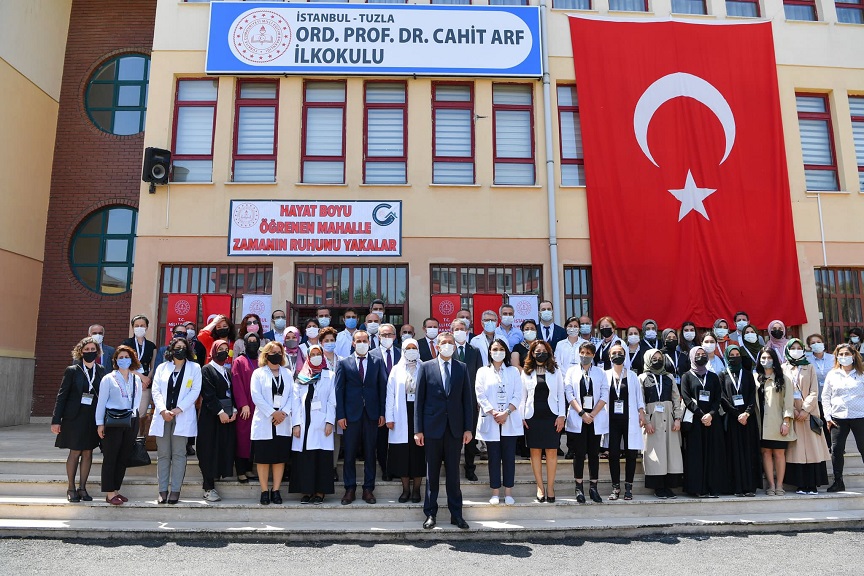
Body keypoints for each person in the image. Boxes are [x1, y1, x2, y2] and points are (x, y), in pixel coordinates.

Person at [414, 331, 474, 530]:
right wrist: (418, 430)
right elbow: (419, 401)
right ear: (437, 346)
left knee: (453, 475)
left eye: (450, 342)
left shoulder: (461, 367)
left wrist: (468, 428)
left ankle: (456, 514)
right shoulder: (426, 367)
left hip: (455, 429)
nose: (447, 345)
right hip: (432, 429)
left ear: (454, 347)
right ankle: (430, 514)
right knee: (432, 474)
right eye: (443, 342)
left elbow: (467, 400)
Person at [335, 330, 387, 505]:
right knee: (349, 452)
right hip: (351, 415)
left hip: (372, 414)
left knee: (370, 452)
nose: (362, 343)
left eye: (365, 340)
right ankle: (349, 489)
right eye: (359, 341)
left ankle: (368, 489)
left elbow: (382, 388)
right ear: (353, 343)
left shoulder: (377, 361)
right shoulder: (344, 363)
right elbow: (339, 390)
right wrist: (340, 415)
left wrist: (382, 412)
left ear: (369, 343)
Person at [51, 337, 105, 502]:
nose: (90, 352)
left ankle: (82, 488)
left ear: (97, 351)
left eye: (93, 349)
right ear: (81, 352)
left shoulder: (101, 370)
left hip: (92, 417)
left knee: (88, 451)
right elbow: (62, 396)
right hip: (74, 417)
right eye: (86, 350)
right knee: (75, 451)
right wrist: (56, 420)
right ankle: (71, 488)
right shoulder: (72, 370)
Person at [149, 336, 202, 504]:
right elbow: (156, 390)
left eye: (183, 347)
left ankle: (175, 490)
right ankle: (162, 490)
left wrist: (179, 409)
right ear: (171, 350)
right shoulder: (162, 368)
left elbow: (195, 391)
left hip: (182, 415)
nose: (180, 350)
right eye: (177, 347)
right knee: (163, 454)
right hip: (163, 416)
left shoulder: (194, 368)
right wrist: (162, 410)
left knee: (179, 453)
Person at [475, 339, 522, 505]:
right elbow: (480, 395)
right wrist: (494, 412)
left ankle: (508, 492)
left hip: (509, 419)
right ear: (490, 352)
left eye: (501, 349)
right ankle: (495, 492)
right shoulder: (482, 371)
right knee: (493, 458)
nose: (498, 352)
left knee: (509, 458)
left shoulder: (513, 371)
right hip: (491, 419)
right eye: (495, 349)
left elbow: (518, 394)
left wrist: (506, 412)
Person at [95, 345, 142, 505]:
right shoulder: (108, 378)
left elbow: (137, 401)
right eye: (120, 357)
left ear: (132, 359)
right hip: (113, 420)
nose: (124, 360)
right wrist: (100, 423)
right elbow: (101, 402)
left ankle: (116, 489)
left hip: (131, 420)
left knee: (123, 456)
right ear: (115, 360)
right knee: (111, 456)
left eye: (126, 357)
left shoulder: (136, 378)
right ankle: (109, 493)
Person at [290, 344, 337, 504]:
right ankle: (306, 491)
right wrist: (296, 424)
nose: (316, 357)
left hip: (322, 423)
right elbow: (295, 402)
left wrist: (330, 421)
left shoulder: (329, 375)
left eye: (318, 354)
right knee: (306, 459)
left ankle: (320, 492)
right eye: (313, 354)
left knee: (321, 458)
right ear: (308, 357)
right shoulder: (301, 377)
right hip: (304, 423)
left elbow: (332, 401)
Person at [783, 339, 830, 495]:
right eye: (793, 348)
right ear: (787, 350)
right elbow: (782, 392)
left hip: (809, 414)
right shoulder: (783, 368)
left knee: (813, 450)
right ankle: (801, 484)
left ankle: (813, 484)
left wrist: (805, 409)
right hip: (792, 414)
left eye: (799, 348)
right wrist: (792, 410)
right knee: (796, 451)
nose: (796, 350)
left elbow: (814, 391)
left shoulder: (809, 367)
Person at [521, 340, 566, 503]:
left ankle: (551, 487)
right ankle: (540, 487)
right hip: (532, 417)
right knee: (535, 452)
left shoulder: (556, 370)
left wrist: (562, 416)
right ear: (532, 354)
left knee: (552, 451)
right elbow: (522, 396)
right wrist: (522, 417)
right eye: (537, 351)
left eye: (544, 351)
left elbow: (561, 394)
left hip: (552, 416)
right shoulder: (526, 372)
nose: (541, 353)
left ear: (549, 352)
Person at [564, 342, 608, 504]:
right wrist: (582, 413)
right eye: (582, 352)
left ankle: (593, 488)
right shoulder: (571, 371)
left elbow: (604, 394)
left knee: (594, 454)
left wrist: (593, 414)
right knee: (579, 454)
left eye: (588, 353)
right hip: (578, 417)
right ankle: (579, 487)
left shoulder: (600, 373)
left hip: (595, 418)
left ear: (593, 355)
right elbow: (569, 393)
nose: (585, 356)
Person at [250, 341, 293, 505]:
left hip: (282, 420)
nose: (277, 355)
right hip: (265, 419)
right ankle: (264, 491)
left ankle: (276, 490)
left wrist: (283, 413)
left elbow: (292, 395)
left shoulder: (287, 373)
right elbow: (256, 396)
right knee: (263, 458)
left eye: (279, 352)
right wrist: (272, 413)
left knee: (279, 458)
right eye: (273, 352)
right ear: (266, 355)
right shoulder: (258, 373)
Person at [680, 345, 726, 498]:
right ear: (692, 357)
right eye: (698, 354)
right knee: (696, 456)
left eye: (703, 354)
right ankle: (697, 488)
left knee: (712, 455)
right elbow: (687, 399)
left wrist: (710, 414)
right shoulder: (686, 376)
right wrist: (701, 415)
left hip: (712, 421)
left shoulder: (713, 376)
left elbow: (718, 398)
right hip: (695, 422)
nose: (701, 356)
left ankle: (712, 487)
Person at [639, 348, 683, 499]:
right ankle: (658, 487)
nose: (657, 361)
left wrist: (677, 418)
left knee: (670, 453)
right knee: (655, 453)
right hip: (652, 420)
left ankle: (668, 487)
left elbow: (676, 398)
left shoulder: (669, 377)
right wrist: (646, 421)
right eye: (654, 359)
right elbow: (640, 401)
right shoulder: (642, 377)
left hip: (669, 419)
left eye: (660, 358)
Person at [385, 338, 425, 503]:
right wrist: (389, 417)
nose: (411, 350)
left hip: (419, 414)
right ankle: (405, 490)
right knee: (402, 453)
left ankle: (416, 490)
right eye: (408, 348)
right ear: (403, 350)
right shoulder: (396, 369)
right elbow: (390, 394)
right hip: (400, 414)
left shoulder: (424, 367)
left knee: (418, 453)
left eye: (414, 347)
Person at [604, 343, 645, 500]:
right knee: (613, 454)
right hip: (612, 421)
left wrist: (641, 413)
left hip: (630, 420)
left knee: (631, 454)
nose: (617, 355)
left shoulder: (633, 376)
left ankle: (629, 487)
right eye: (614, 353)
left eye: (620, 353)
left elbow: (639, 398)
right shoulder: (605, 375)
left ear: (625, 355)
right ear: (609, 356)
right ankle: (615, 487)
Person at [198, 339, 238, 502]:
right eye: (220, 349)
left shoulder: (227, 371)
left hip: (227, 417)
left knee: (222, 447)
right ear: (213, 351)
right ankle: (208, 487)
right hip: (211, 417)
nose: (223, 352)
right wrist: (220, 412)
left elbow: (231, 392)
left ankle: (218, 475)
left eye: (226, 349)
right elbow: (208, 394)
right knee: (208, 449)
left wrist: (234, 410)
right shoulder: (206, 369)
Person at [719, 345, 760, 497]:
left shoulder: (748, 374)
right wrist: (737, 414)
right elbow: (722, 397)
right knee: (734, 453)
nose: (735, 357)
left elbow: (752, 396)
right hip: (732, 419)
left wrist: (747, 413)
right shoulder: (722, 375)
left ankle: (749, 487)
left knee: (748, 452)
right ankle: (736, 487)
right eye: (732, 355)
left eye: (737, 354)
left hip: (748, 420)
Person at [822, 344, 864, 492]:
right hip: (838, 417)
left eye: (847, 354)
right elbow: (825, 396)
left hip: (860, 416)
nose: (844, 357)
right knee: (837, 449)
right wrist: (827, 416)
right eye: (841, 354)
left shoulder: (861, 373)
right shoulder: (832, 374)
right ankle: (838, 481)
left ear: (853, 355)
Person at [755, 346, 795, 496]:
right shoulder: (756, 378)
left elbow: (788, 402)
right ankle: (771, 485)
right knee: (765, 453)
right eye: (763, 358)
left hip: (777, 421)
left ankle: (779, 485)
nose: (766, 361)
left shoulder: (783, 379)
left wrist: (786, 421)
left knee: (779, 453)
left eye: (769, 358)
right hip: (761, 422)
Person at [449, 318, 483, 481]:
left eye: (462, 329)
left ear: (467, 331)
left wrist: (479, 400)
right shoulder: (448, 349)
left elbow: (480, 376)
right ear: (452, 332)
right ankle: (452, 467)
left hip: (471, 400)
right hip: (452, 401)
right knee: (453, 436)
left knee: (471, 436)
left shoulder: (474, 351)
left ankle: (470, 468)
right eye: (456, 329)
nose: (459, 332)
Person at [370, 322, 400, 480]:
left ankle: (396, 468)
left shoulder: (402, 353)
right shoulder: (371, 355)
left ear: (394, 336)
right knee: (381, 440)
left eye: (389, 334)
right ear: (378, 337)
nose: (387, 337)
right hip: (378, 403)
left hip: (398, 404)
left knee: (397, 437)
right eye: (383, 335)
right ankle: (385, 469)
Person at [121, 314, 156, 437]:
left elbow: (153, 365)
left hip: (145, 385)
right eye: (136, 326)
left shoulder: (151, 346)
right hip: (129, 381)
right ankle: (127, 439)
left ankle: (139, 439)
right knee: (129, 412)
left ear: (147, 327)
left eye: (142, 325)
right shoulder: (126, 344)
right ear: (132, 327)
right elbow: (123, 364)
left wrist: (147, 379)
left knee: (141, 414)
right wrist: (141, 377)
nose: (139, 328)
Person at [231, 332, 259, 483]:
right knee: (243, 438)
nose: (253, 344)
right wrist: (243, 404)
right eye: (250, 341)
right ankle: (241, 470)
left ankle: (249, 469)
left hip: (259, 406)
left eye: (255, 341)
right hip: (246, 406)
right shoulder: (239, 361)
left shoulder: (262, 360)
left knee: (254, 438)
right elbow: (237, 384)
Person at [806, 333, 834, 442]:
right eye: (813, 343)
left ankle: (836, 445)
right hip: (816, 397)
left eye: (818, 342)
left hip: (832, 396)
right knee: (821, 421)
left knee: (834, 422)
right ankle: (826, 445)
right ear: (809, 346)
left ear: (823, 343)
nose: (816, 344)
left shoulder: (832, 358)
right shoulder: (807, 360)